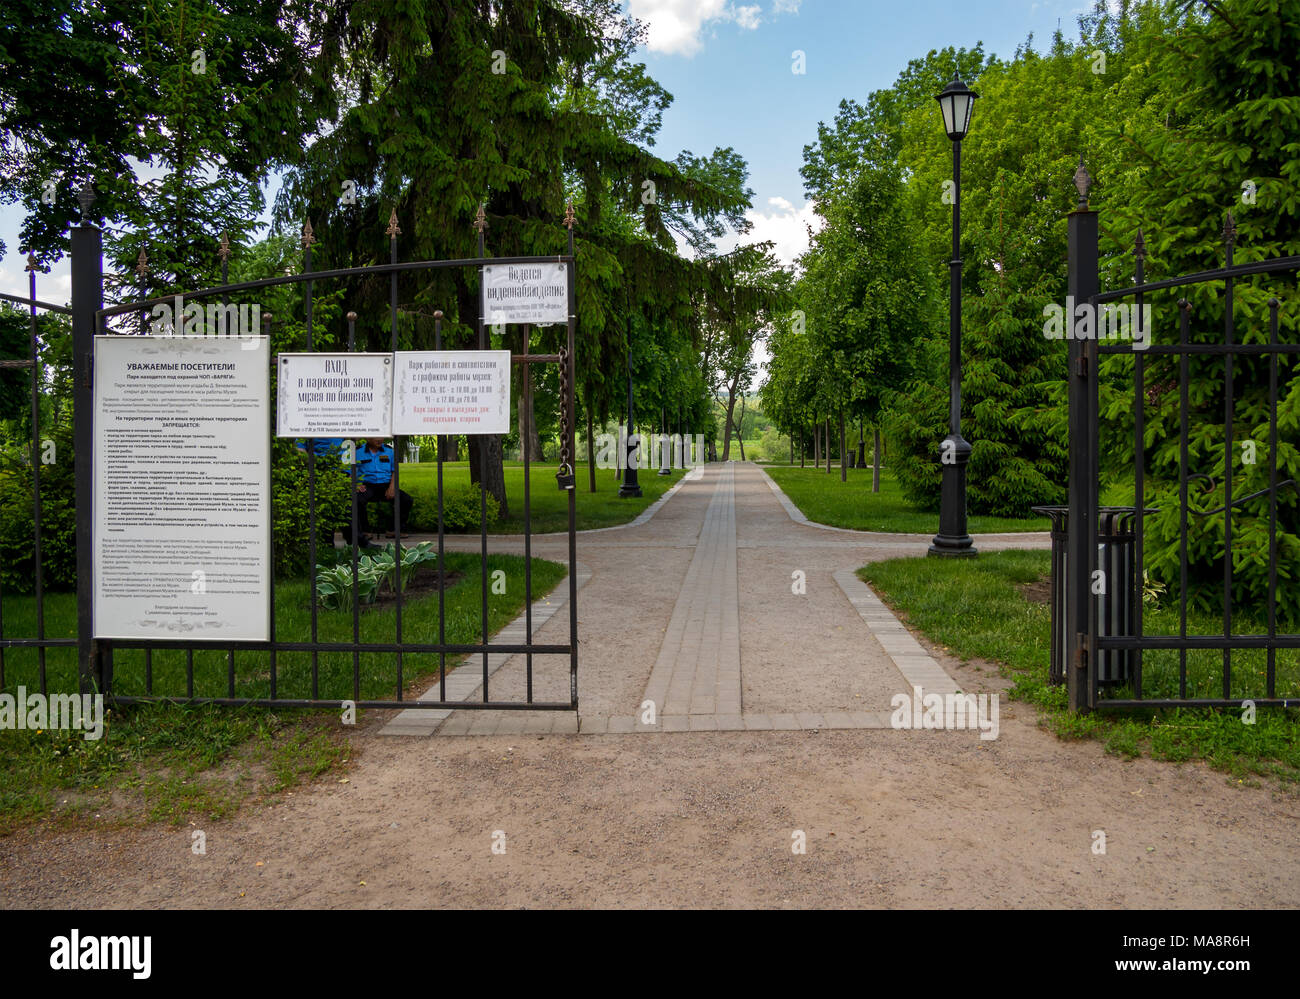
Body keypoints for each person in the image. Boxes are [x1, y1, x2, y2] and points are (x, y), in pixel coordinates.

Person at [345, 437, 413, 546]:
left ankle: (393, 529)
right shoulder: (357, 452)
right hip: (367, 485)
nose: (380, 440)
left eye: (381, 437)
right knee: (357, 500)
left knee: (406, 500)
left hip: (386, 485)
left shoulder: (389, 451)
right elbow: (349, 471)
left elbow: (394, 471)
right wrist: (356, 485)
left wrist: (392, 487)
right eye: (376, 437)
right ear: (368, 438)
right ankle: (365, 530)